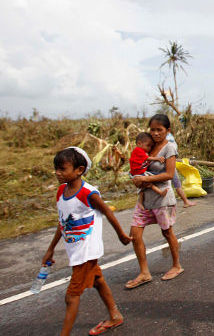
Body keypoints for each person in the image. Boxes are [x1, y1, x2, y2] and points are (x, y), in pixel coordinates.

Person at [42, 147, 132, 336]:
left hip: (86, 251)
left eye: (62, 169)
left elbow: (108, 212)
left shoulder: (88, 193)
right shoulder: (61, 192)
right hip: (75, 248)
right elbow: (63, 222)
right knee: (97, 280)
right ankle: (115, 315)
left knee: (71, 296)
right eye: (56, 169)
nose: (58, 173)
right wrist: (50, 249)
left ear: (79, 170)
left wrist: (121, 235)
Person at [126, 114, 184, 289]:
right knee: (135, 235)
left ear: (168, 130)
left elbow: (168, 174)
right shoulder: (146, 146)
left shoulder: (169, 148)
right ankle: (144, 272)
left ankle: (176, 265)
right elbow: (136, 166)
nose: (156, 133)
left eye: (160, 130)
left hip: (163, 198)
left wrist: (144, 180)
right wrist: (135, 177)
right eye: (153, 129)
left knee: (167, 233)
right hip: (145, 199)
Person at [129, 132, 168, 208]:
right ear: (139, 143)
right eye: (148, 146)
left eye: (151, 146)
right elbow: (147, 158)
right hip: (138, 173)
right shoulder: (138, 150)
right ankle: (160, 192)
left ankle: (140, 202)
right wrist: (158, 158)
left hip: (140, 172)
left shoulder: (142, 151)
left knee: (144, 188)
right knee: (151, 181)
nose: (149, 148)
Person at [166, 132, 196, 208]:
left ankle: (185, 201)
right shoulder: (165, 137)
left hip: (170, 163)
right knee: (172, 184)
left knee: (176, 184)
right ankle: (183, 201)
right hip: (167, 164)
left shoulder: (167, 136)